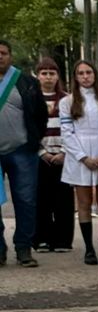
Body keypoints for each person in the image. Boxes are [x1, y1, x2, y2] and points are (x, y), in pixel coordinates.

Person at [59, 61, 98, 265]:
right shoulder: (67, 102)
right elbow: (67, 133)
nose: (85, 76)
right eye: (80, 73)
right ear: (75, 77)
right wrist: (83, 157)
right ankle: (89, 249)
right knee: (83, 204)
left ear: (95, 74)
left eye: (88, 72)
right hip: (80, 155)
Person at [0, 40, 49, 267]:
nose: (0, 56)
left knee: (26, 200)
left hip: (22, 151)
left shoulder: (26, 82)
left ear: (10, 56)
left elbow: (40, 114)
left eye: (3, 53)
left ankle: (24, 248)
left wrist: (33, 140)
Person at [34, 57, 75, 253]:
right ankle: (42, 238)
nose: (48, 77)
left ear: (58, 76)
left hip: (64, 155)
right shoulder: (32, 99)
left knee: (63, 199)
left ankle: (63, 240)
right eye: (44, 73)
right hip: (40, 155)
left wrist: (65, 152)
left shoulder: (68, 100)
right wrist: (41, 152)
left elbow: (74, 128)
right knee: (41, 198)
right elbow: (28, 128)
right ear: (37, 76)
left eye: (52, 73)